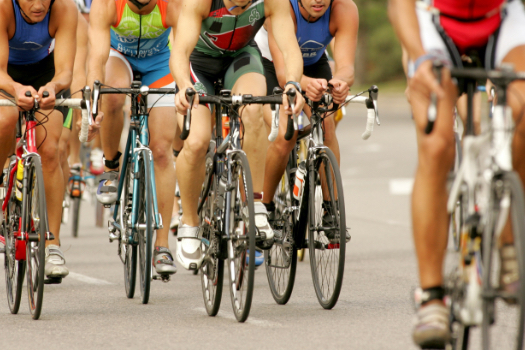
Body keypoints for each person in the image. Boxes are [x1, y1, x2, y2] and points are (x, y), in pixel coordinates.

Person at [388, 0, 525, 348]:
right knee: (437, 145)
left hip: (500, 19)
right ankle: (432, 297)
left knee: (521, 117)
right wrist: (417, 58)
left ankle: (508, 248)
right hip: (436, 23)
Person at [170, 0, 305, 270]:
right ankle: (189, 223)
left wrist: (293, 84)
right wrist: (184, 84)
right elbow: (181, 50)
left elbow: (290, 48)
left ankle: (254, 206)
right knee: (196, 141)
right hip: (198, 65)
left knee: (254, 111)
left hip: (241, 59)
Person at [87, 0, 178, 276]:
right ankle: (112, 167)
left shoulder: (172, 4)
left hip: (161, 63)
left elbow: (182, 52)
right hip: (119, 58)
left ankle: (161, 246)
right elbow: (97, 59)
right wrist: (93, 105)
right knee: (113, 95)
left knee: (162, 150)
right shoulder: (107, 4)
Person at [255, 0, 357, 244]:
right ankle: (265, 208)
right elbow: (283, 74)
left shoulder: (344, 9)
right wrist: (301, 83)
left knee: (327, 123)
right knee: (286, 133)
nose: (318, 1)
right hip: (271, 64)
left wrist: (340, 83)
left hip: (313, 62)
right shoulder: (281, 8)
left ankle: (332, 211)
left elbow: (346, 67)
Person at [0, 0, 78, 280]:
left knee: (51, 149)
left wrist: (54, 87)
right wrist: (16, 88)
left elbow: (65, 71)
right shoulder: (3, 9)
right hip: (7, 75)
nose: (38, 4)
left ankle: (52, 244)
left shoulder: (65, 9)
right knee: (5, 120)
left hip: (46, 75)